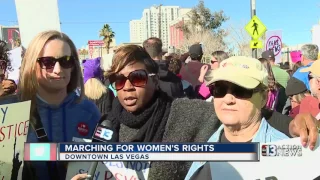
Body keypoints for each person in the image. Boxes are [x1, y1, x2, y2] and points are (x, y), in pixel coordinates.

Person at [72, 46, 319, 180]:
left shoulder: (186, 112)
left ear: (154, 80)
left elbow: (241, 112)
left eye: (136, 78)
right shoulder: (106, 126)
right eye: (117, 80)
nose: (126, 86)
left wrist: (291, 125)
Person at [0, 30, 101, 180]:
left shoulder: (88, 111)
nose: (58, 70)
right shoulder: (8, 112)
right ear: (31, 64)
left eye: (66, 60)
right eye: (48, 62)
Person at [185, 56, 290, 179]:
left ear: (263, 98)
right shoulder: (205, 143)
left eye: (241, 90)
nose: (228, 99)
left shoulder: (286, 155)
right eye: (220, 89)